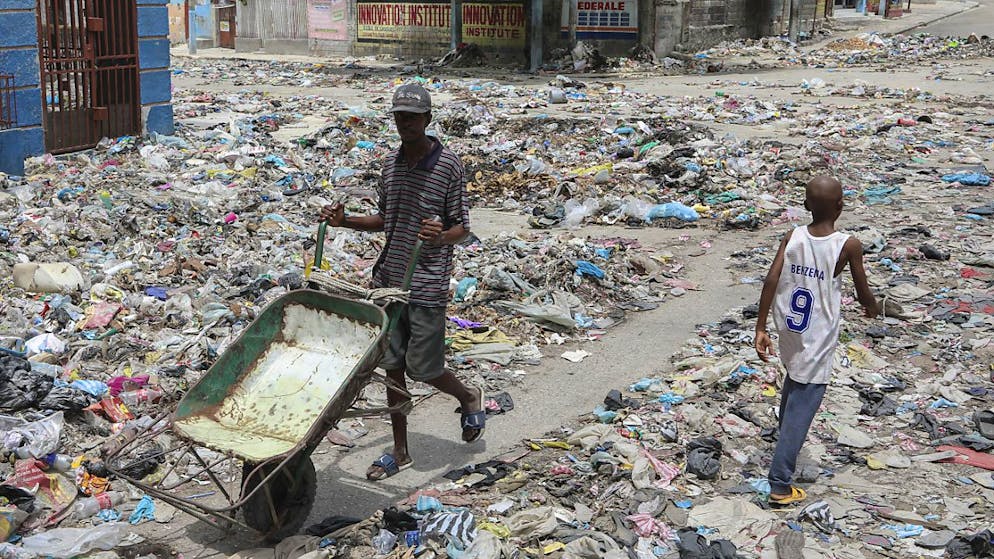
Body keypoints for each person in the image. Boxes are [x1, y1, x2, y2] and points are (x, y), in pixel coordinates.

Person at [319, 83, 485, 481]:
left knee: (423, 369)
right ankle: (400, 451)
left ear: (428, 120)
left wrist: (441, 236)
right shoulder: (390, 167)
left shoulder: (449, 166)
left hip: (426, 281)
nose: (405, 123)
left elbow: (462, 227)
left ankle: (467, 396)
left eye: (412, 117)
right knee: (392, 368)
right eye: (399, 117)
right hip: (389, 280)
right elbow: (385, 219)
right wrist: (345, 222)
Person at [754, 175, 878, 505]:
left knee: (794, 384)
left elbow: (771, 278)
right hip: (818, 335)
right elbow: (863, 291)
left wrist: (760, 328)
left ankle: (783, 440)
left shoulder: (792, 236)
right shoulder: (847, 244)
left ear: (806, 205)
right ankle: (780, 483)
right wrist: (874, 308)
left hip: (789, 328)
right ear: (841, 205)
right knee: (804, 404)